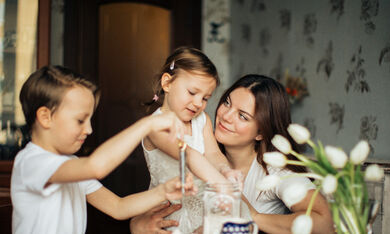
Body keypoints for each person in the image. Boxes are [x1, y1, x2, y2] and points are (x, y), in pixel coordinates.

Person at [132, 74, 334, 234]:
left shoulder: (274, 170)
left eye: (242, 116)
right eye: (227, 103)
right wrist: (137, 224)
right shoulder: (201, 150)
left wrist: (251, 216)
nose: (225, 116)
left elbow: (324, 224)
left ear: (261, 132)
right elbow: (160, 200)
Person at [11, 65, 196, 234]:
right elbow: (95, 167)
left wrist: (163, 191)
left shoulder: (71, 165)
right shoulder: (32, 162)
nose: (89, 130)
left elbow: (118, 207)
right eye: (80, 120)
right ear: (45, 117)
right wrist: (147, 124)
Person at [142, 47, 236, 233]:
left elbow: (213, 154)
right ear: (167, 83)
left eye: (205, 98)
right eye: (192, 93)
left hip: (200, 208)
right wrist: (221, 183)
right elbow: (188, 154)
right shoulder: (154, 126)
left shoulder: (202, 121)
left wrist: (225, 170)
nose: (198, 103)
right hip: (168, 212)